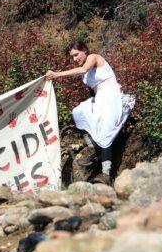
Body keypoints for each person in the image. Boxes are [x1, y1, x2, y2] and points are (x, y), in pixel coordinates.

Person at [45, 41, 134, 185]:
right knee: (78, 112)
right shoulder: (84, 71)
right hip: (100, 98)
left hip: (111, 96)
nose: (75, 59)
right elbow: (92, 88)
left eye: (76, 55)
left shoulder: (93, 57)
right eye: (72, 57)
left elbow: (84, 70)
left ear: (84, 50)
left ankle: (106, 173)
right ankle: (93, 145)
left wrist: (56, 74)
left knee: (105, 134)